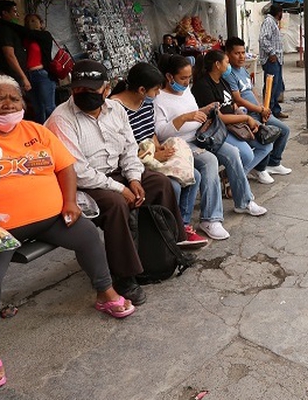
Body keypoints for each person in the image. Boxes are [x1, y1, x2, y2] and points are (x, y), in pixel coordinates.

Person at [0, 74, 133, 395]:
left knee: (87, 234)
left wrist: (71, 201)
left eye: (16, 99)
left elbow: (65, 167)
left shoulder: (35, 131)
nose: (9, 105)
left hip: (50, 217)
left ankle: (105, 292)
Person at [45, 60, 185, 306]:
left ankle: (166, 249)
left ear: (106, 88)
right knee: (116, 204)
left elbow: (130, 149)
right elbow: (77, 171)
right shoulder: (61, 118)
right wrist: (120, 188)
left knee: (160, 184)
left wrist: (134, 178)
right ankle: (125, 275)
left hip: (118, 172)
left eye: (92, 89)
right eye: (79, 89)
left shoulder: (116, 110)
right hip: (85, 185)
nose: (85, 94)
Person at [153, 55, 265, 235]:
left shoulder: (186, 90)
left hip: (201, 135)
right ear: (169, 77)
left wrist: (204, 111)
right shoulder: (159, 99)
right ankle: (210, 219)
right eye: (182, 78)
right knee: (210, 161)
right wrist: (184, 118)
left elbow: (194, 111)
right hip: (179, 143)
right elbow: (159, 133)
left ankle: (244, 201)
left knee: (232, 152)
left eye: (189, 78)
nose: (187, 82)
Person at [109, 62, 207, 247]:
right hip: (131, 164)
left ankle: (182, 225)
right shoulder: (115, 108)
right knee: (174, 186)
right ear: (141, 89)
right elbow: (121, 149)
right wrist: (151, 157)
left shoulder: (145, 103)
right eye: (155, 90)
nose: (158, 94)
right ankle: (167, 232)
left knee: (195, 175)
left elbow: (150, 132)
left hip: (151, 155)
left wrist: (158, 148)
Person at [192, 49, 274, 184]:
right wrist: (247, 119)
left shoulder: (222, 81)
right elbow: (220, 118)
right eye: (227, 62)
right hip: (218, 129)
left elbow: (232, 104)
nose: (229, 66)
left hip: (235, 123)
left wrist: (244, 116)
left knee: (265, 143)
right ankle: (235, 181)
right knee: (247, 155)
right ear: (217, 64)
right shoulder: (203, 86)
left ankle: (231, 177)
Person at [223, 36, 293, 177]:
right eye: (237, 53)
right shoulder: (229, 74)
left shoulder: (243, 70)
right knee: (266, 136)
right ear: (228, 55)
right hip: (247, 114)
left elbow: (252, 89)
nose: (241, 56)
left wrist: (263, 107)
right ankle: (259, 168)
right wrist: (258, 110)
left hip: (259, 111)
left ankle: (273, 163)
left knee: (284, 130)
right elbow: (238, 99)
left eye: (243, 52)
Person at [0, 0, 30, 93]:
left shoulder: (8, 28)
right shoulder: (3, 30)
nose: (16, 15)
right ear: (5, 13)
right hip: (9, 76)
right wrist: (23, 76)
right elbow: (9, 55)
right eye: (14, 12)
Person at [22, 13, 56, 123]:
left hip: (42, 74)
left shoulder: (44, 35)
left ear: (41, 24)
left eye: (33, 21)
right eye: (28, 21)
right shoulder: (26, 39)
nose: (30, 23)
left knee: (48, 107)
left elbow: (31, 34)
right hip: (29, 75)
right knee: (38, 108)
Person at [259, 3, 288, 119]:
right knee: (271, 86)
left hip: (277, 59)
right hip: (271, 60)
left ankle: (275, 110)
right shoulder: (268, 22)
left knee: (277, 86)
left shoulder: (274, 23)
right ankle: (268, 111)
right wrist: (271, 52)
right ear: (279, 12)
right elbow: (263, 38)